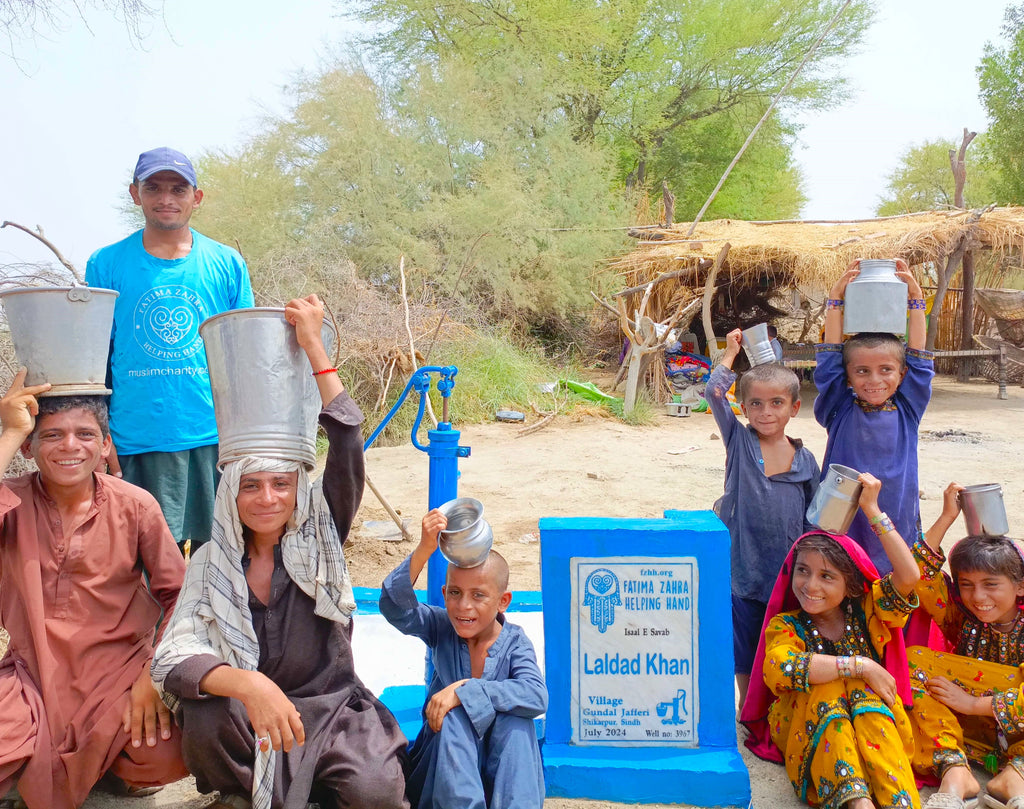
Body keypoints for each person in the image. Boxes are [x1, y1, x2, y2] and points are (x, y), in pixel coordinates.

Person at [151, 295, 408, 809]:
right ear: (230, 493)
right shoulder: (212, 562)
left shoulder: (321, 535)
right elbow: (173, 661)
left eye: (280, 484)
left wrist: (313, 345)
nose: (267, 498)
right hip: (250, 714)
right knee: (204, 716)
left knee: (377, 795)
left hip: (332, 708)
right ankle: (245, 790)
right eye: (251, 486)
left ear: (297, 489)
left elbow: (348, 438)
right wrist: (251, 686)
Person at [0, 370, 187, 808]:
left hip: (119, 674)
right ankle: (56, 763)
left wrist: (151, 679)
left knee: (167, 752)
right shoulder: (12, 502)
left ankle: (96, 768)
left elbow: (180, 595)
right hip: (33, 674)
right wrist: (9, 429)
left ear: (105, 446)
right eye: (51, 435)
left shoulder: (135, 505)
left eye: (85, 434)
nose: (69, 446)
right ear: (29, 447)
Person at [85, 147, 254, 553]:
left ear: (196, 197)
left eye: (178, 189)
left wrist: (247, 437)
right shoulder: (106, 263)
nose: (166, 198)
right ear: (134, 193)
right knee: (138, 560)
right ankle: (153, 621)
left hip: (213, 438)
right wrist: (100, 436)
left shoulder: (226, 263)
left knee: (222, 556)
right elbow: (93, 359)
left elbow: (244, 354)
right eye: (154, 187)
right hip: (136, 438)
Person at [740, 474, 921, 809]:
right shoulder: (787, 626)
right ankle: (856, 803)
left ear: (851, 586)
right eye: (803, 571)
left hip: (874, 728)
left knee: (861, 693)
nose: (811, 585)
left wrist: (872, 510)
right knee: (828, 686)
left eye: (827, 576)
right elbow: (780, 668)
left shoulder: (868, 614)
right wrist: (860, 666)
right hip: (807, 729)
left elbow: (910, 577)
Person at [380, 511, 547, 809]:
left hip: (503, 774)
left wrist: (463, 690)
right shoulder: (441, 627)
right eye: (455, 593)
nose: (464, 606)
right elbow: (395, 607)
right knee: (454, 717)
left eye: (478, 595)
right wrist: (424, 549)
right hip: (446, 773)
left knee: (517, 723)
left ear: (503, 601)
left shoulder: (515, 642)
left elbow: (536, 696)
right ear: (444, 594)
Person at [707, 328, 820, 709]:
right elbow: (713, 393)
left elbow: (813, 519)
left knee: (781, 632)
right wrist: (731, 353)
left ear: (794, 407)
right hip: (743, 562)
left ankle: (778, 698)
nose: (766, 412)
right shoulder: (740, 442)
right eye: (755, 404)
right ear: (743, 407)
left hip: (786, 566)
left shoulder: (805, 461)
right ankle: (746, 701)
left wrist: (809, 565)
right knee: (744, 633)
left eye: (776, 403)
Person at [906, 482, 1024, 809]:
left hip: (1017, 735)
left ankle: (1013, 778)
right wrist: (946, 517)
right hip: (959, 729)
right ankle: (956, 772)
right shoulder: (960, 616)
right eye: (967, 585)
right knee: (912, 667)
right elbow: (916, 574)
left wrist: (973, 704)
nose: (978, 597)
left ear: (1020, 585)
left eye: (991, 585)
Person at [813, 257, 933, 573]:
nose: (874, 380)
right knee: (840, 578)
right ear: (848, 376)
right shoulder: (839, 407)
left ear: (902, 374)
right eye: (862, 371)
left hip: (895, 518)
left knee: (891, 590)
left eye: (886, 370)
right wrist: (835, 301)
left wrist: (916, 301)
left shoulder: (908, 409)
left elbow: (920, 358)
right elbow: (828, 362)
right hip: (842, 516)